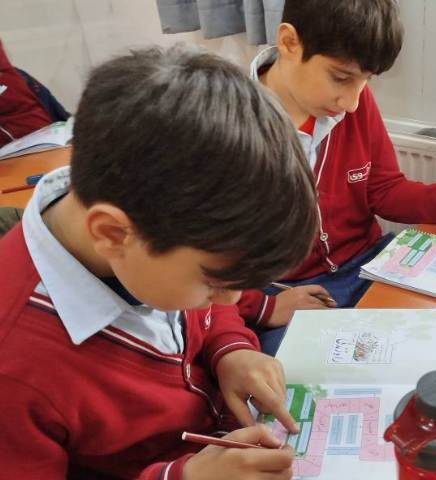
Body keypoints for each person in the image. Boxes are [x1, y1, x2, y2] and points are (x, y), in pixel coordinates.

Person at [0, 44, 319, 480]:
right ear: (112, 233)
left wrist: (230, 349)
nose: (232, 298)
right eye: (214, 282)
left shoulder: (155, 232)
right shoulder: (15, 370)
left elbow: (211, 309)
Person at [237, 0, 436, 355]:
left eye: (366, 81)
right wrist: (264, 307)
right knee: (297, 376)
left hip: (369, 265)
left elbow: (385, 190)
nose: (353, 102)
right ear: (290, 43)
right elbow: (203, 261)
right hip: (284, 291)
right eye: (341, 77)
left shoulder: (350, 102)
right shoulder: (231, 127)